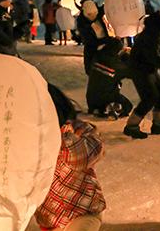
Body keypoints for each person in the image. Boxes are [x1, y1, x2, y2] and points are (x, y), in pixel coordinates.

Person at [35, 84, 106, 231]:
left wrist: (60, 131)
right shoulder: (33, 139)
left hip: (83, 213)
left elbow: (81, 158)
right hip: (49, 219)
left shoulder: (80, 130)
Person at [86, 37, 133, 118]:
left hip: (90, 96)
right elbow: (130, 73)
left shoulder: (97, 56)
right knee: (128, 106)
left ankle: (96, 108)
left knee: (104, 84)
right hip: (107, 95)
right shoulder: (118, 66)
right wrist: (128, 56)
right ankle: (115, 109)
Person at [76, 0, 112, 75]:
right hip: (92, 49)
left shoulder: (99, 14)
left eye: (95, 13)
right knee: (93, 70)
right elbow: (89, 40)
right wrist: (106, 40)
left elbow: (105, 8)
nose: (93, 16)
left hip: (105, 46)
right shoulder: (82, 22)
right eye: (89, 15)